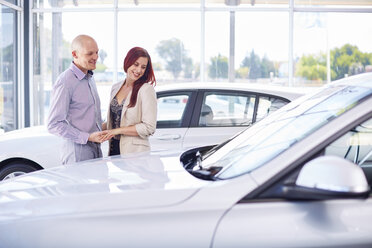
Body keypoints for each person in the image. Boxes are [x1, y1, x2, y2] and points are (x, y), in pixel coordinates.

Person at [48, 34, 109, 165]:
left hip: (96, 149)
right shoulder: (65, 81)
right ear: (75, 54)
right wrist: (87, 137)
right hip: (77, 154)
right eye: (90, 53)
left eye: (97, 52)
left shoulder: (90, 78)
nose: (96, 57)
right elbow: (54, 124)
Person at [102, 47, 157, 155]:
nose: (139, 70)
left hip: (135, 153)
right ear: (128, 62)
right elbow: (114, 120)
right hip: (114, 149)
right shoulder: (115, 87)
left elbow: (149, 127)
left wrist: (118, 131)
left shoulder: (146, 90)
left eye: (143, 67)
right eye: (136, 64)